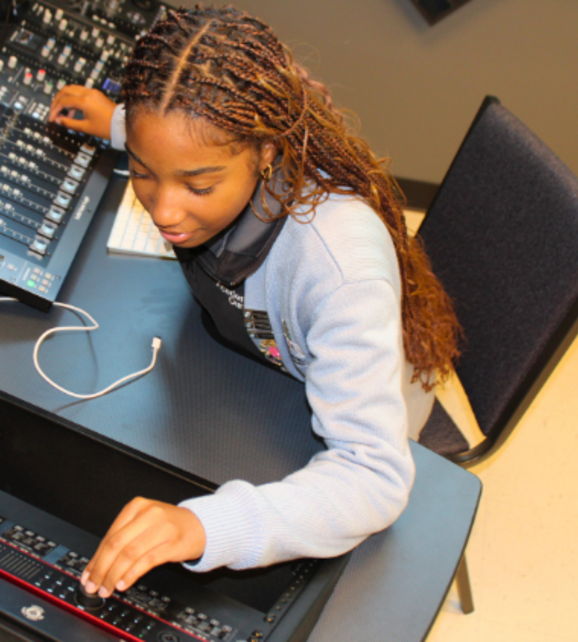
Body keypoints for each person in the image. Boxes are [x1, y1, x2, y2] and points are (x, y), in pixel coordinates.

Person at [48, 5, 461, 600]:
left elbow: (373, 478)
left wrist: (204, 526)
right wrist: (116, 125)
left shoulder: (338, 267)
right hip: (249, 368)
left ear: (267, 153)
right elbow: (176, 146)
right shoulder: (203, 153)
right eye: (143, 173)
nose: (163, 211)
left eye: (199, 186)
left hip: (351, 406)